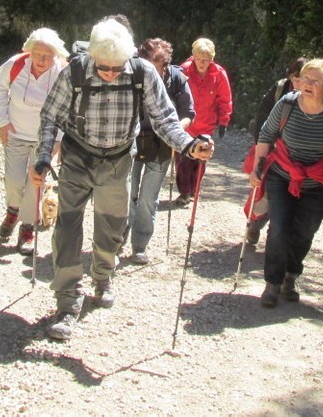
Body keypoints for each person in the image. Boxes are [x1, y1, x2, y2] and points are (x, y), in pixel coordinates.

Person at [29, 19, 214, 341]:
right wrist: (43, 156)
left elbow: (164, 119)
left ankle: (102, 277)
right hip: (77, 158)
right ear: (93, 58)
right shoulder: (74, 72)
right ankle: (68, 302)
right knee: (68, 228)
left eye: (117, 69)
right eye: (104, 68)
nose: (111, 74)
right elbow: (50, 117)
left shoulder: (143, 72)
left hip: (118, 160)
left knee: (112, 227)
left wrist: (189, 145)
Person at [247, 58, 323, 308]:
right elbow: (267, 134)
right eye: (305, 78)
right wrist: (257, 167)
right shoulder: (288, 103)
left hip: (317, 182)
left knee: (304, 232)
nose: (308, 83)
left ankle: (290, 277)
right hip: (282, 176)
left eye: (315, 80)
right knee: (279, 229)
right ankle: (272, 283)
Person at [0, 28, 69, 256]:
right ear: (29, 51)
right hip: (15, 134)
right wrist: (2, 122)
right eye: (37, 55)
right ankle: (13, 210)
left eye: (47, 56)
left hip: (45, 140)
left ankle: (27, 227)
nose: (41, 60)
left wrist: (58, 139)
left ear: (55, 55)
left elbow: (67, 107)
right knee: (14, 181)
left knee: (36, 183)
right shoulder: (15, 65)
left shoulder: (62, 71)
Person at [123, 38, 195, 264]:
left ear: (165, 63)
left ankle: (139, 246)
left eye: (158, 62)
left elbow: (188, 112)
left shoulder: (177, 79)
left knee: (148, 199)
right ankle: (118, 240)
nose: (153, 66)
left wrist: (174, 131)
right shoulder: (129, 75)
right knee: (127, 195)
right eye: (150, 61)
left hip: (162, 146)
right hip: (132, 144)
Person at [244, 58, 307, 247]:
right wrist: (261, 149)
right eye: (295, 78)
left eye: (302, 78)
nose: (299, 83)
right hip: (274, 154)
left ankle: (276, 239)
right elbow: (262, 119)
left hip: (299, 159)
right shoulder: (280, 90)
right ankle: (255, 225)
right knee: (268, 196)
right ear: (289, 77)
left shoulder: (316, 95)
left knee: (291, 198)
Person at [176, 37, 232, 206]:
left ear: (211, 59)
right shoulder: (183, 70)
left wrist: (224, 121)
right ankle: (184, 192)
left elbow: (225, 98)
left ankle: (194, 191)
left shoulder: (219, 74)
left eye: (206, 60)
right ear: (193, 57)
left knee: (200, 159)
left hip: (206, 124)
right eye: (199, 59)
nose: (202, 63)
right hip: (186, 124)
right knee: (183, 160)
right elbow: (173, 95)